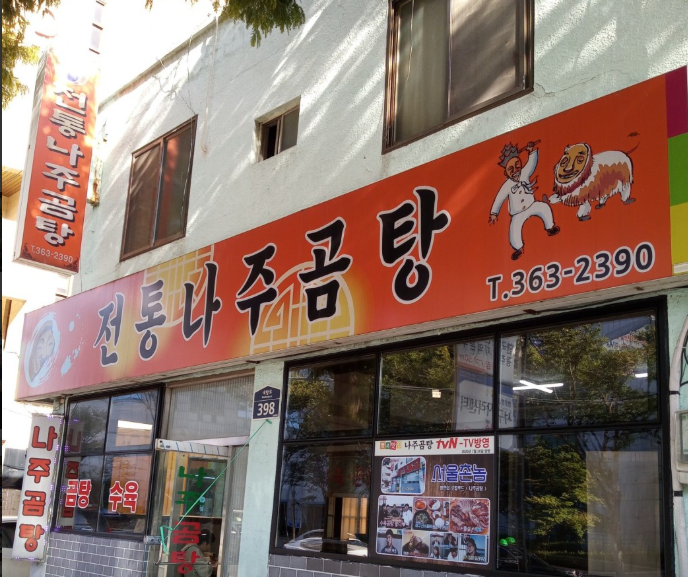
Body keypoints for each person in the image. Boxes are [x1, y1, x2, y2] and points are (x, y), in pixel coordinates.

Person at [488, 141, 559, 260]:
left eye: (517, 166)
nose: (515, 170)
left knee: (544, 208)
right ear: (506, 172)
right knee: (514, 229)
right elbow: (499, 198)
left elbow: (531, 164)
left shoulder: (524, 174)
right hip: (517, 213)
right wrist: (494, 213)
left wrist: (531, 152)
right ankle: (518, 248)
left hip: (531, 204)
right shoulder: (506, 185)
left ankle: (550, 227)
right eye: (511, 169)